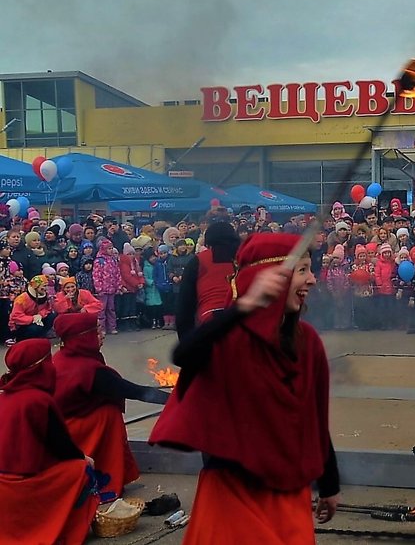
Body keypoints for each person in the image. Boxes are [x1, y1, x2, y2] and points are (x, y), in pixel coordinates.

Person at [149, 233, 340, 543]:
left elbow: (314, 417)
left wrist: (329, 484)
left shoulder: (308, 342)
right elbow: (185, 355)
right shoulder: (229, 338)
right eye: (302, 270)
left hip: (288, 492)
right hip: (231, 492)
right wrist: (245, 306)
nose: (313, 280)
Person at [52, 313, 169, 501]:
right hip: (71, 430)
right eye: (97, 331)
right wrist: (175, 400)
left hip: (61, 426)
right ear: (83, 337)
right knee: (109, 412)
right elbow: (134, 391)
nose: (103, 334)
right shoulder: (88, 370)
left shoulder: (63, 357)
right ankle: (102, 475)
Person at [0, 339, 99, 545]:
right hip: (24, 482)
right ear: (41, 366)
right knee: (83, 469)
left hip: (3, 478)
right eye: (49, 361)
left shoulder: (5, 395)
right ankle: (65, 531)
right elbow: (62, 447)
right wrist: (84, 457)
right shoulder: (37, 400)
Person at [176, 220, 240, 339]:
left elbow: (185, 304)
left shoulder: (198, 260)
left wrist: (185, 341)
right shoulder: (243, 257)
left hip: (209, 317)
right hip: (240, 315)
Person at [8, 274, 56, 341]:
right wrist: (32, 319)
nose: (46, 288)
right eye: (44, 286)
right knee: (36, 328)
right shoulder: (22, 299)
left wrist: (40, 315)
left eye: (46, 286)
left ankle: (40, 336)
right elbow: (16, 317)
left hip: (36, 319)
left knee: (52, 316)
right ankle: (22, 339)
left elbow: (47, 309)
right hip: (20, 325)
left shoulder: (44, 295)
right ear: (36, 287)